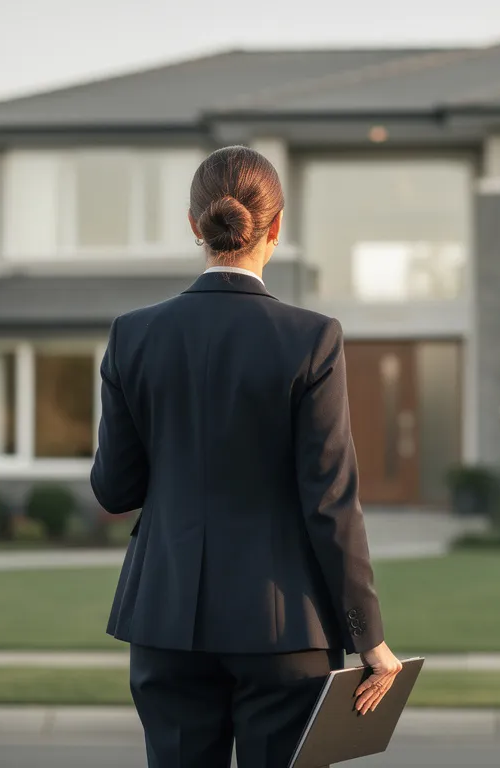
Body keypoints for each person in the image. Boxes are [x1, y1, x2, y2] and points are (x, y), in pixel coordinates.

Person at [91, 145, 402, 768]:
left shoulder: (133, 334)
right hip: (284, 629)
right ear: (276, 229)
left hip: (166, 621)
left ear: (193, 225)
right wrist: (369, 637)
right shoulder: (312, 338)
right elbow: (330, 502)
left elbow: (115, 490)